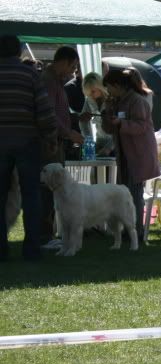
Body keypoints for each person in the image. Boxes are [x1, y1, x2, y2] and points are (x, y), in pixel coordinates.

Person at [0, 34, 57, 261]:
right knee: (32, 196)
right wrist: (50, 137)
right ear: (19, 52)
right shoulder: (30, 74)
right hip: (27, 142)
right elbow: (44, 109)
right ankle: (32, 249)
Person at [102, 68, 161, 241]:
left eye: (109, 87)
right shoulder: (117, 102)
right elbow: (109, 129)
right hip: (125, 155)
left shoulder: (137, 101)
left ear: (117, 85)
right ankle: (126, 230)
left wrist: (121, 123)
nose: (108, 91)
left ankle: (136, 232)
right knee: (124, 195)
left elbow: (142, 126)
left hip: (138, 154)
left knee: (134, 195)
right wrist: (106, 113)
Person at [40, 45, 84, 247]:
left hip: (55, 141)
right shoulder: (48, 81)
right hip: (48, 144)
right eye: (73, 67)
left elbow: (58, 112)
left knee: (52, 189)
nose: (73, 72)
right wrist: (69, 132)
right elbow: (49, 114)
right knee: (48, 189)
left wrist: (76, 118)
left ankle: (49, 234)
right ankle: (45, 236)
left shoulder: (55, 81)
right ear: (64, 62)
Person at [78, 72, 114, 156]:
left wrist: (108, 148)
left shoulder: (113, 99)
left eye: (93, 91)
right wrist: (89, 142)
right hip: (99, 141)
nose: (90, 95)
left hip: (115, 144)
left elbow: (119, 129)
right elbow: (83, 121)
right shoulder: (89, 100)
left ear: (100, 87)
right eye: (88, 93)